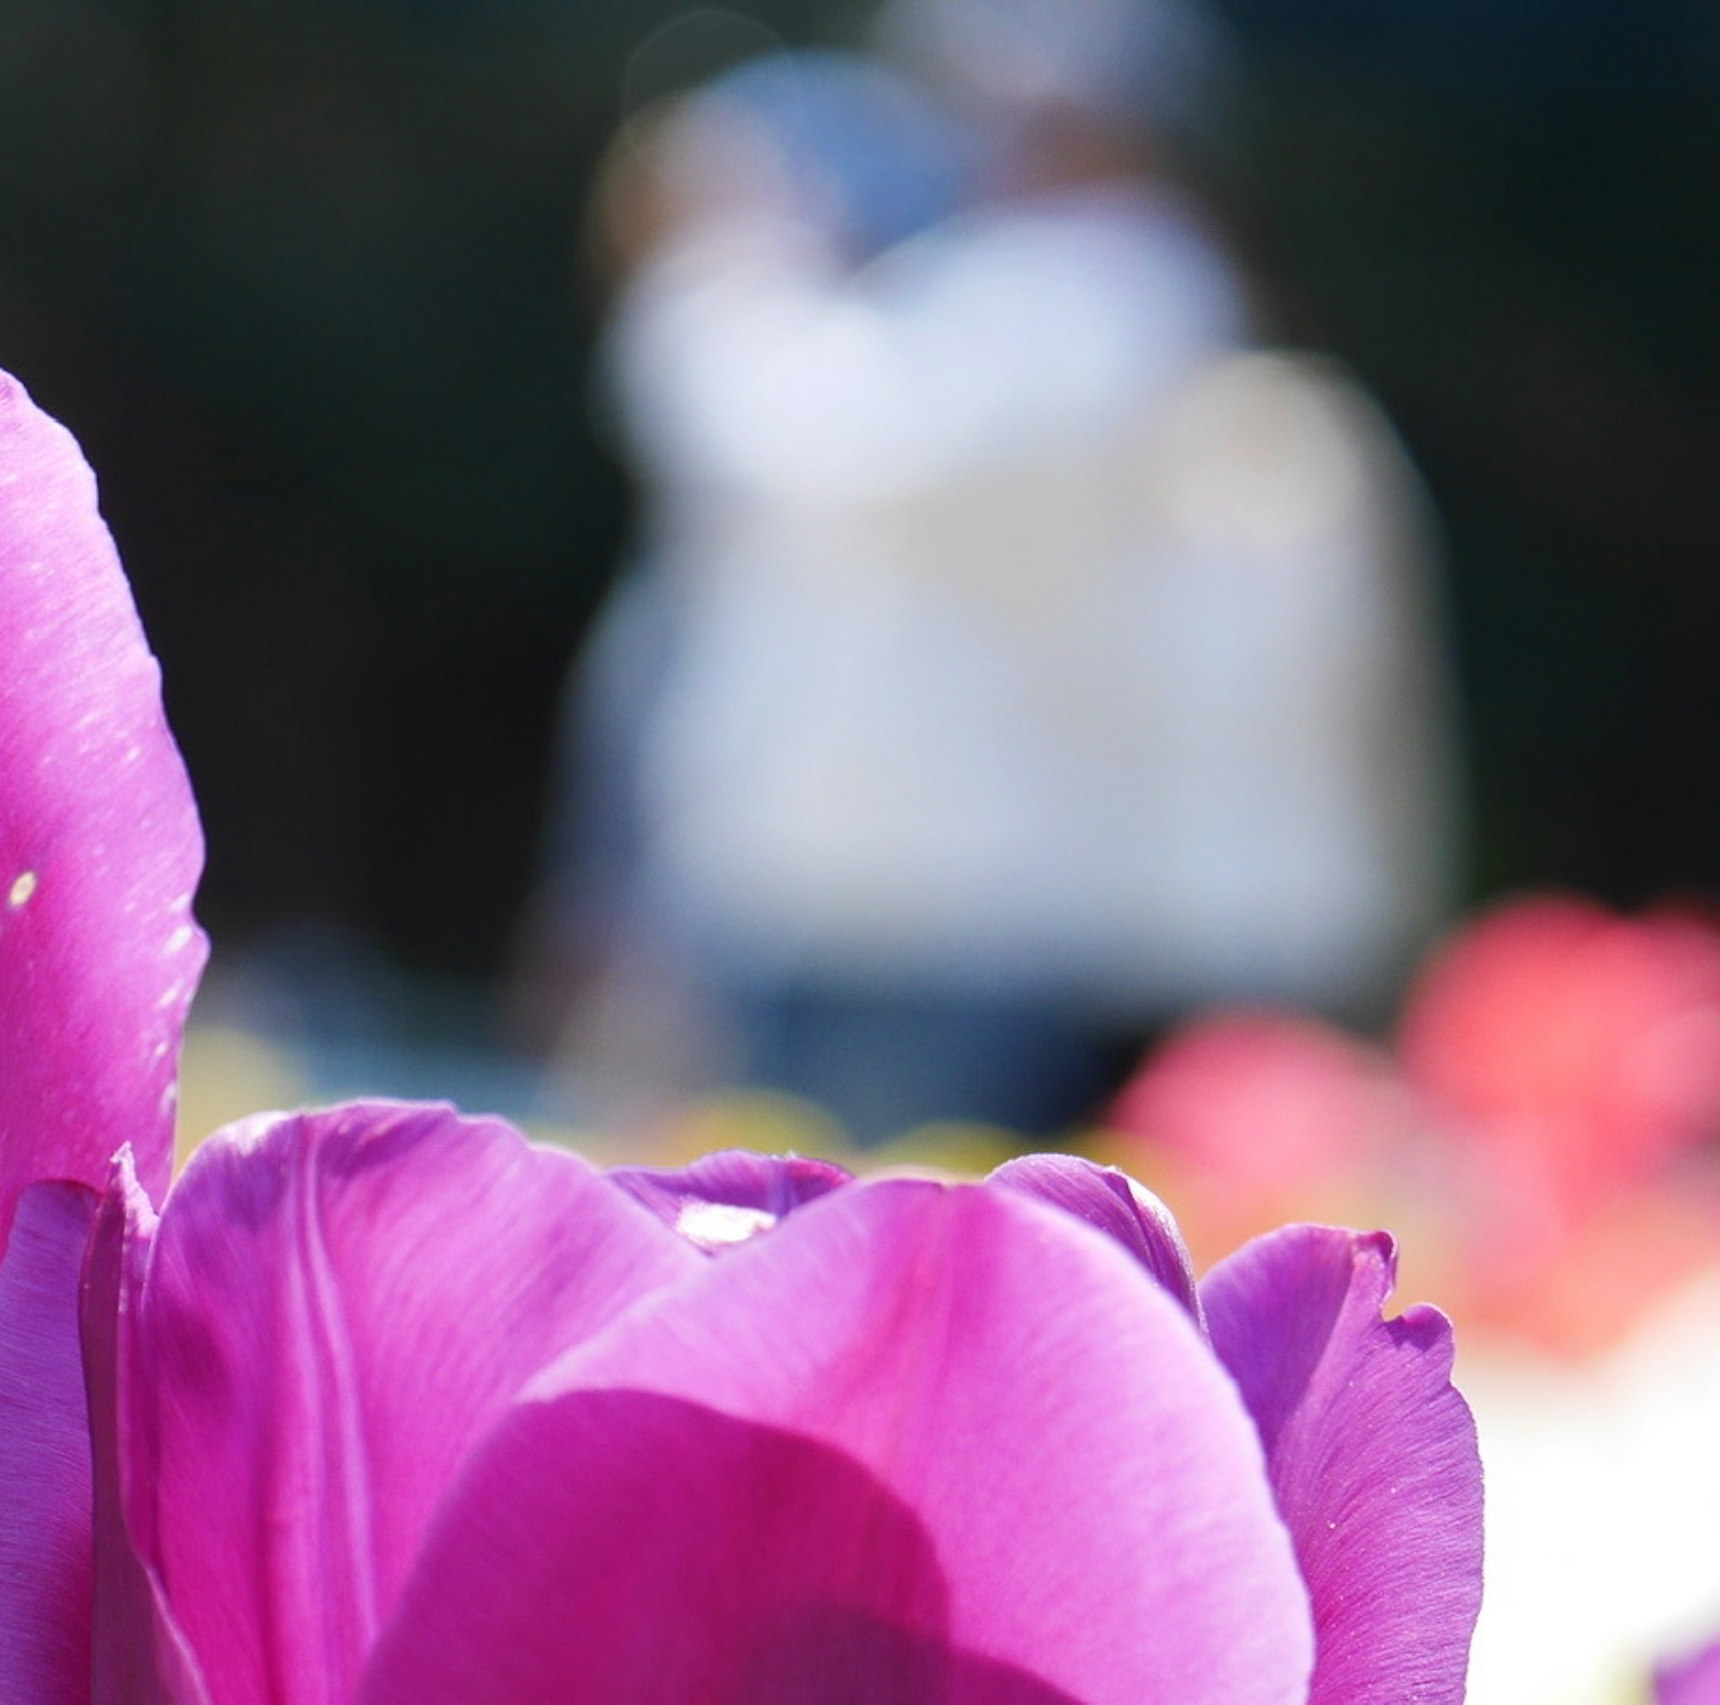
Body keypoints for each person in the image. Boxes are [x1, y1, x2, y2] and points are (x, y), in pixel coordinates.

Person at [547, 0, 1454, 1143]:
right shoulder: (988, 295)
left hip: (933, 935)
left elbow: (805, 450)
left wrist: (716, 250)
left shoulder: (1112, 287)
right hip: (846, 917)